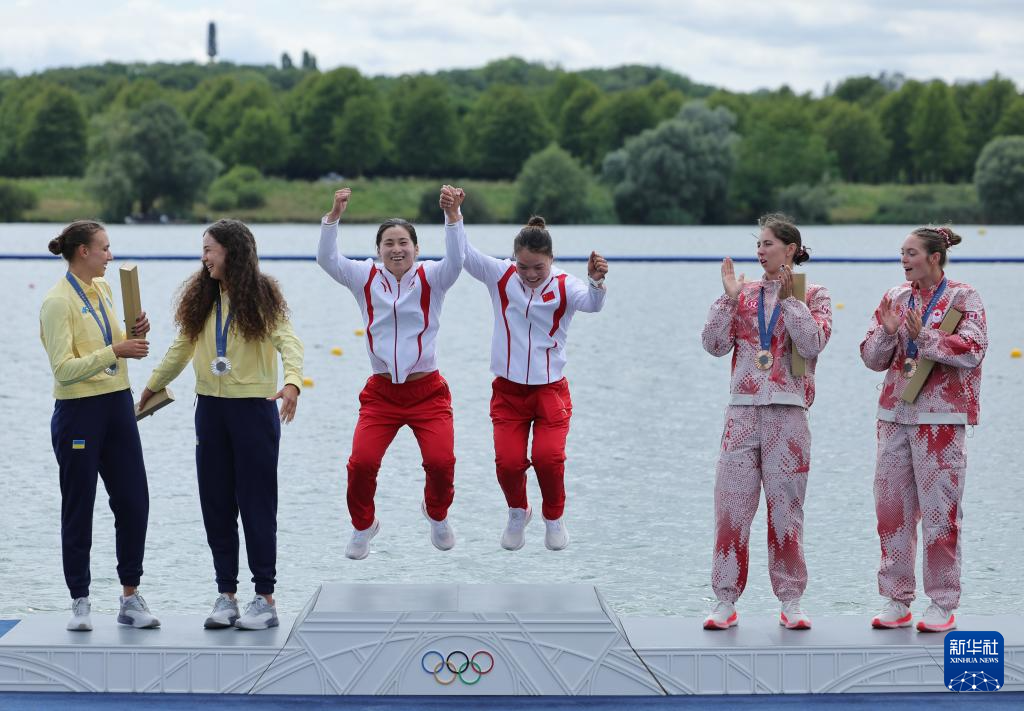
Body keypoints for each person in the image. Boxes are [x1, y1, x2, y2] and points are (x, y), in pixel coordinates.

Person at [139, 219, 304, 631]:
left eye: (209, 249)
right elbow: (181, 348)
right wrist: (152, 386)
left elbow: (288, 341)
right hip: (210, 411)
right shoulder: (203, 297)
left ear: (232, 251)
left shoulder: (262, 295)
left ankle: (265, 599)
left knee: (256, 505)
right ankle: (226, 596)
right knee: (215, 504)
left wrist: (292, 382)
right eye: (203, 250)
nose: (204, 257)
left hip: (253, 411)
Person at [317, 186, 465, 560]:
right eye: (388, 243)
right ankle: (364, 525)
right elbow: (327, 259)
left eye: (403, 243)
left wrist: (452, 217)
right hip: (382, 394)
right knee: (361, 464)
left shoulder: (433, 277)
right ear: (378, 250)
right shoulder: (364, 277)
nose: (396, 249)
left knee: (441, 463)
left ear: (416, 248)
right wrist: (333, 217)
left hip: (427, 391)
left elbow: (457, 259)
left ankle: (436, 513)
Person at [700, 214, 831, 631]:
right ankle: (725, 600)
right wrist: (727, 299)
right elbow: (713, 345)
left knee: (786, 512)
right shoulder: (744, 294)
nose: (760, 251)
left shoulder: (814, 294)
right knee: (731, 510)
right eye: (757, 244)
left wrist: (791, 299)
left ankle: (791, 601)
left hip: (788, 414)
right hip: (741, 413)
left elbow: (812, 344)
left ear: (790, 250)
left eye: (768, 244)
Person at [860, 226, 986, 633]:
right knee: (891, 511)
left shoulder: (964, 298)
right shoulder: (896, 297)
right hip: (895, 416)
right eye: (902, 252)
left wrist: (925, 336)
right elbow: (871, 359)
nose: (904, 259)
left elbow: (974, 349)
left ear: (934, 257)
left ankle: (942, 602)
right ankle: (897, 599)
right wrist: (888, 332)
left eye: (911, 252)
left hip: (941, 420)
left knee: (939, 513)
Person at [462, 209, 608, 552]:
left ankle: (553, 518)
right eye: (523, 266)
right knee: (508, 463)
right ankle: (518, 512)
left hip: (549, 391)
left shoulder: (565, 285)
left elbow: (592, 304)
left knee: (547, 459)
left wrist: (595, 282)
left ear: (551, 260)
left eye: (538, 267)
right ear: (513, 259)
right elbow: (464, 255)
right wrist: (454, 216)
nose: (529, 274)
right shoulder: (501, 276)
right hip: (508, 392)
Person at [40, 220, 160, 631]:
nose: (111, 255)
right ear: (83, 252)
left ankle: (130, 598)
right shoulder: (57, 302)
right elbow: (63, 369)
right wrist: (116, 350)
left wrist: (133, 335)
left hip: (118, 405)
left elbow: (114, 343)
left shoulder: (104, 288)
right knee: (79, 506)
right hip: (78, 412)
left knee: (134, 501)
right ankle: (80, 601)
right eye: (104, 248)